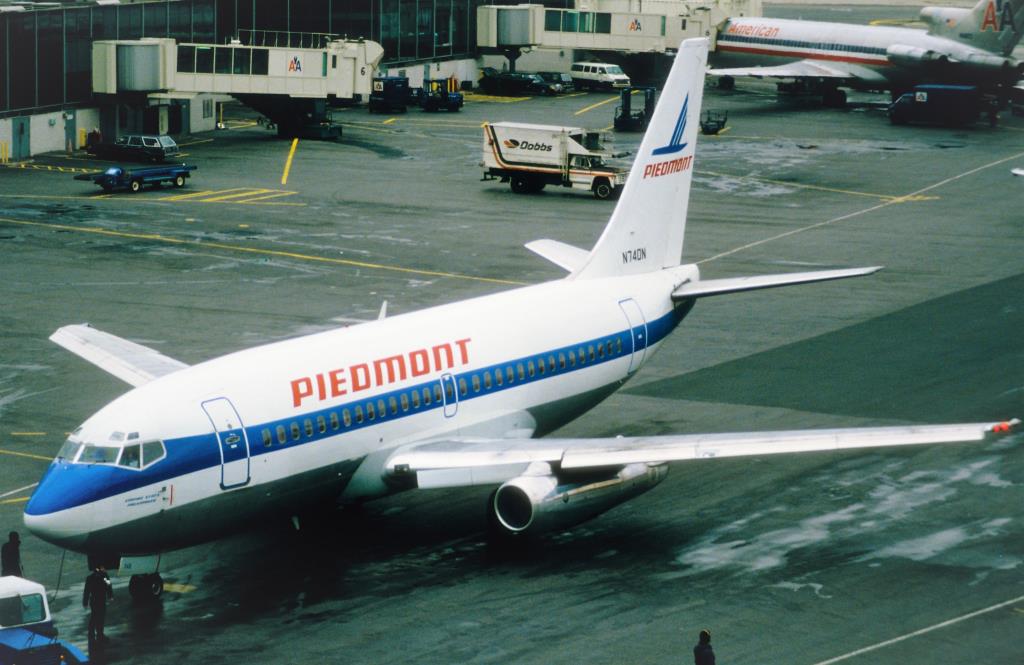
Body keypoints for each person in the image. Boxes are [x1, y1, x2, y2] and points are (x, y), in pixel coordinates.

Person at [83, 563, 114, 647]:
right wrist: (110, 596)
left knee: (98, 617)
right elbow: (109, 586)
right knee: (96, 617)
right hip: (97, 600)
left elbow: (108, 586)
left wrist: (110, 595)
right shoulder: (103, 577)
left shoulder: (92, 578)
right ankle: (95, 634)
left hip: (98, 600)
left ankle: (96, 634)